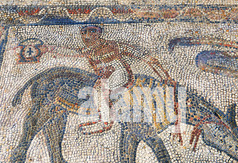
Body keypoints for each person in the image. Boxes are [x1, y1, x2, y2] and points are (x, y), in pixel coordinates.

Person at [47, 25, 180, 136]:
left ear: (98, 33)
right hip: (105, 76)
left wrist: (165, 76)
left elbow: (141, 55)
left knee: (103, 89)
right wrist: (48, 48)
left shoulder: (113, 45)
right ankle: (101, 116)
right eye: (83, 33)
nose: (86, 36)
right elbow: (70, 52)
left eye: (91, 32)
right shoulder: (88, 50)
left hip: (120, 73)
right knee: (97, 90)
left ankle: (106, 122)